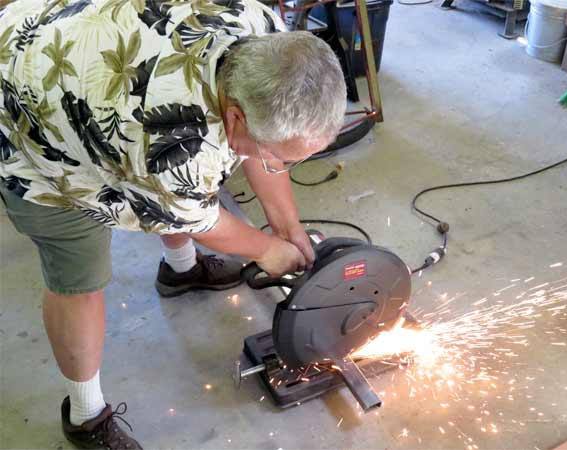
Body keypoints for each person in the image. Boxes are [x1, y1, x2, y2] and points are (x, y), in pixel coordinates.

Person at [0, 0, 347, 446]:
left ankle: (180, 271)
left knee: (186, 184)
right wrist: (267, 250)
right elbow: (192, 210)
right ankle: (85, 416)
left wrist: (289, 228)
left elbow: (245, 158)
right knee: (78, 278)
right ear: (237, 115)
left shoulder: (266, 33)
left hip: (85, 55)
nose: (278, 163)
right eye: (280, 155)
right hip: (27, 115)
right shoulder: (168, 142)